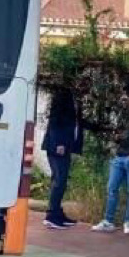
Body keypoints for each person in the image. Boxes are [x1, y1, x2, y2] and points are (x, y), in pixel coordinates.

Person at [93, 83, 129, 234]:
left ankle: (128, 221)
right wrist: (118, 138)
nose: (122, 97)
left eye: (125, 94)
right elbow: (123, 133)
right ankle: (108, 221)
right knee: (112, 188)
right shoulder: (125, 114)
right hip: (119, 156)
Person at [41, 86, 83, 229]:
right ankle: (51, 215)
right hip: (57, 146)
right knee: (58, 180)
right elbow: (55, 119)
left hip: (66, 146)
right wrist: (59, 142)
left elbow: (76, 122)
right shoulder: (62, 94)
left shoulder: (75, 97)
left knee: (61, 180)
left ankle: (57, 213)